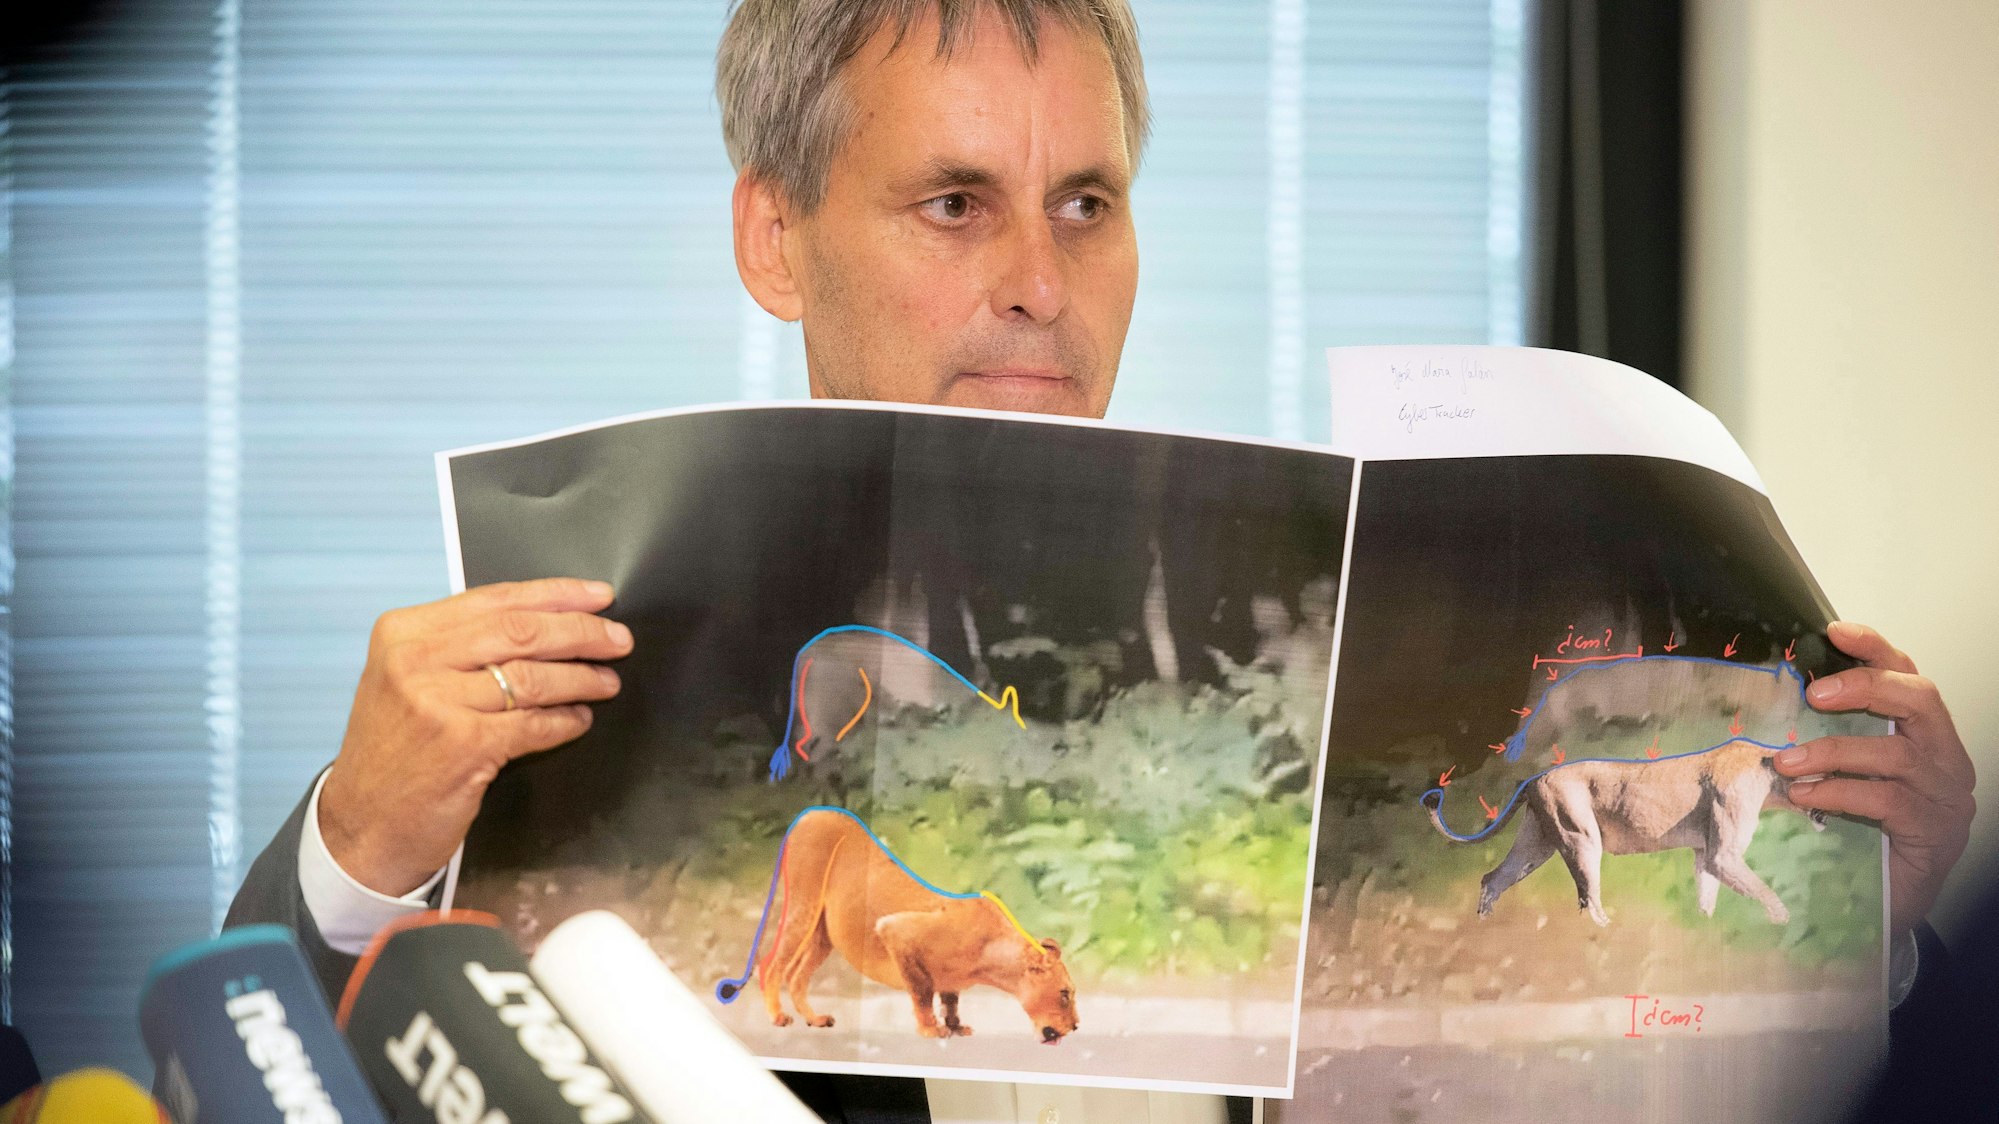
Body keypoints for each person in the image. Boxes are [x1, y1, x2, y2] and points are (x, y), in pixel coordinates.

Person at [227, 1, 1980, 1121]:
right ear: (776, 233)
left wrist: (1857, 943)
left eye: (1087, 201)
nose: (1040, 286)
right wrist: (359, 845)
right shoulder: (566, 646)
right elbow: (259, 1079)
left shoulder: (1260, 653)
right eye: (955, 201)